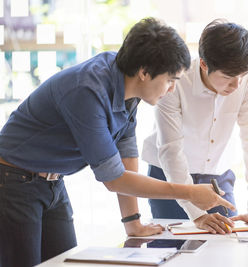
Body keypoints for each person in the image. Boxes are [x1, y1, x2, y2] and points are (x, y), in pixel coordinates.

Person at [0, 17, 235, 267]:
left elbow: (125, 154)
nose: (171, 90)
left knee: (63, 263)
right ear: (144, 72)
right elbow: (114, 179)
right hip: (13, 180)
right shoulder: (87, 91)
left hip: (53, 182)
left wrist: (132, 222)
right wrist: (189, 192)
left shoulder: (126, 80)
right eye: (170, 80)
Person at [142, 19, 248, 235]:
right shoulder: (175, 79)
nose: (237, 85)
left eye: (241, 76)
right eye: (228, 77)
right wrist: (198, 214)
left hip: (217, 176)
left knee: (227, 246)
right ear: (203, 64)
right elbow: (171, 149)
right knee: (171, 251)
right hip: (168, 175)